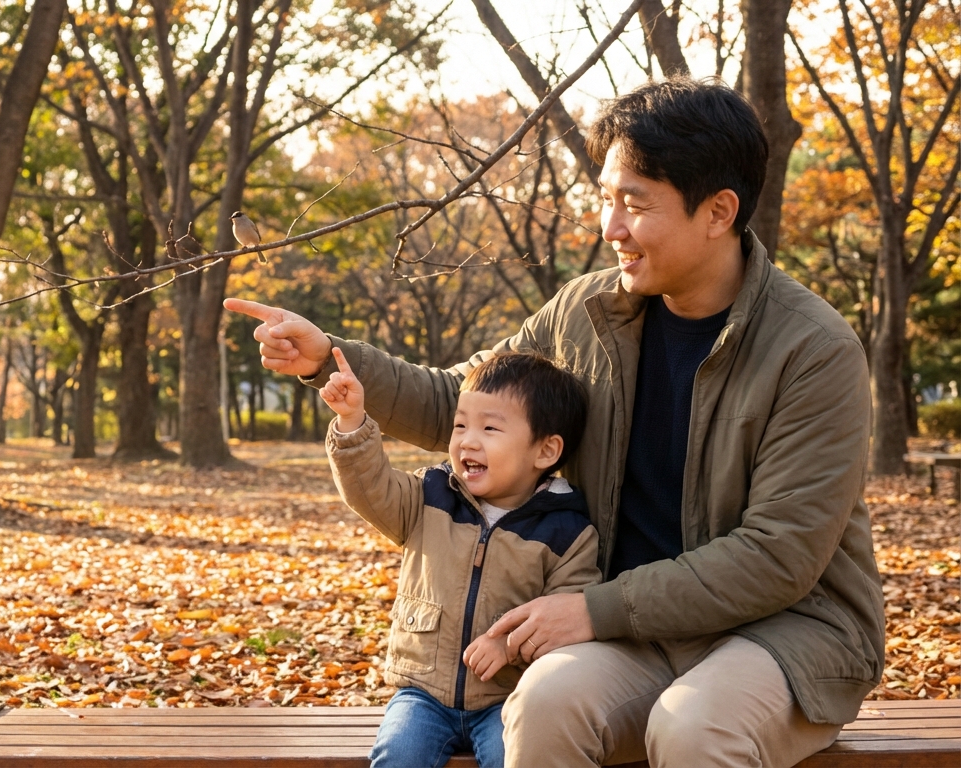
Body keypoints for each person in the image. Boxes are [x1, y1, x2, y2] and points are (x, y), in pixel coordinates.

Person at [225, 76, 884, 768]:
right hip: (633, 630)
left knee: (693, 730)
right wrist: (329, 358)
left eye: (635, 204)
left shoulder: (814, 350)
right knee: (541, 703)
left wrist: (594, 612)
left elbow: (778, 556)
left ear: (718, 211)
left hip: (784, 632)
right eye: (606, 200)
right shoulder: (586, 312)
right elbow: (466, 402)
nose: (611, 228)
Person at [319, 347, 599, 768]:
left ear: (545, 451)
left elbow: (566, 615)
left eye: (490, 428)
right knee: (399, 754)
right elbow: (371, 489)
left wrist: (508, 644)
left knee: (515, 755)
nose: (467, 440)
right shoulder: (431, 496)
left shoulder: (566, 531)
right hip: (423, 693)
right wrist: (353, 423)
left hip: (507, 695)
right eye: (460, 425)